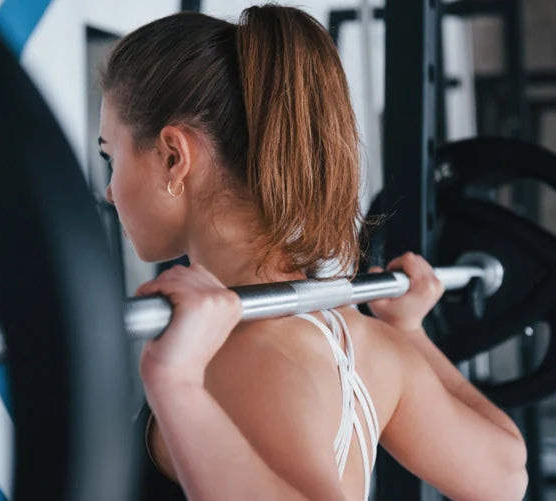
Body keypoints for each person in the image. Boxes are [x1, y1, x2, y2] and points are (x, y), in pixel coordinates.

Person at [98, 5, 527, 500]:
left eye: (112, 156)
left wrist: (175, 383)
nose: (110, 190)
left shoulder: (244, 357)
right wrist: (411, 331)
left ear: (174, 157)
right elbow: (505, 474)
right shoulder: (364, 338)